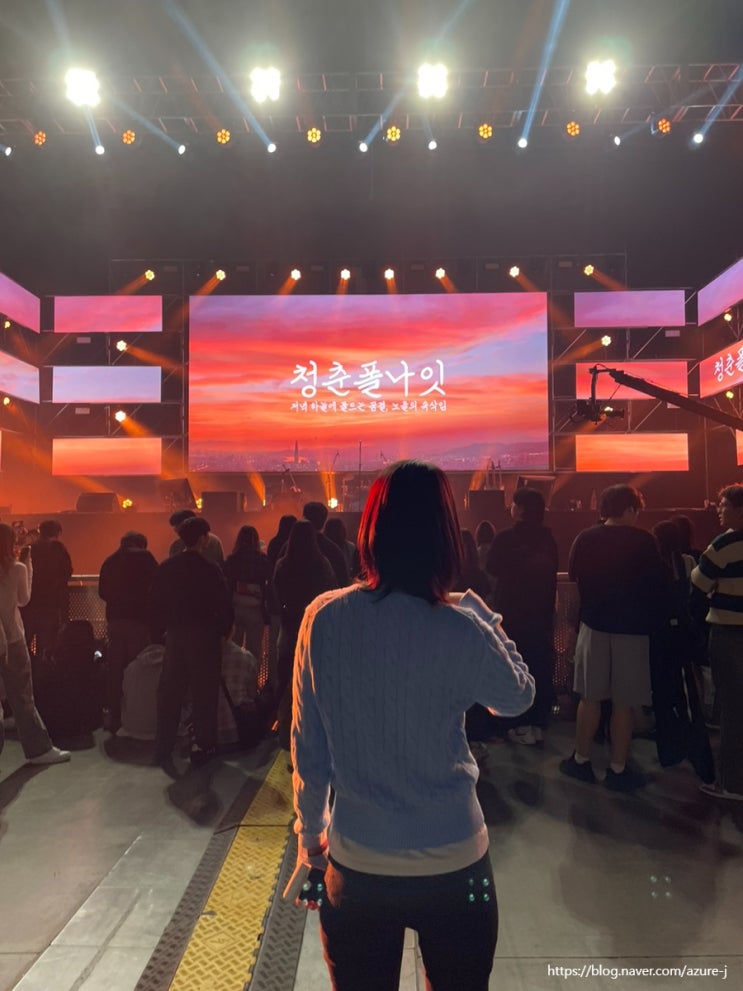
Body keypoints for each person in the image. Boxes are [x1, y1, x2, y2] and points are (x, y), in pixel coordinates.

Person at [290, 460, 534, 991]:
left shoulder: (324, 618)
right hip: (457, 868)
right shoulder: (461, 626)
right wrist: (480, 612)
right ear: (445, 536)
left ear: (371, 531)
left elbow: (309, 746)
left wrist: (311, 840)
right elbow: (518, 697)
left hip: (358, 869)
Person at [561, 484, 664, 792]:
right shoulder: (645, 541)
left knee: (590, 697)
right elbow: (656, 584)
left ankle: (581, 760)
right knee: (624, 702)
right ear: (631, 509)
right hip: (632, 630)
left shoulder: (586, 538)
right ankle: (618, 767)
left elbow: (575, 580)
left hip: (594, 625)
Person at [150, 516, 233, 767]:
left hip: (175, 635)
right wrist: (223, 632)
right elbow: (223, 604)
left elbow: (155, 601)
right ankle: (203, 746)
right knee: (203, 693)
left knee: (170, 692)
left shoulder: (167, 567)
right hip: (204, 637)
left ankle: (163, 747)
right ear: (202, 539)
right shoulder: (210, 569)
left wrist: (163, 631)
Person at [485, 487, 559, 745]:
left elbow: (492, 567)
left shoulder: (506, 538)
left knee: (513, 666)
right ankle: (537, 720)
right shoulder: (548, 540)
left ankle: (516, 723)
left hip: (512, 615)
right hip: (540, 615)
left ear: (519, 509)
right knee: (538, 665)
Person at [0, 523, 70, 765]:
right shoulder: (17, 568)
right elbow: (23, 599)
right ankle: (38, 750)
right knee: (22, 696)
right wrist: (28, 564)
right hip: (12, 639)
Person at [692, 484, 743, 801]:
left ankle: (733, 783)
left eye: (724, 505)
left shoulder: (725, 543)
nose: (718, 510)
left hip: (729, 633)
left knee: (733, 708)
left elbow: (698, 582)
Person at [273, 520, 336, 749]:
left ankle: (284, 728)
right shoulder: (322, 564)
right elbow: (330, 591)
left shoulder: (283, 564)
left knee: (286, 674)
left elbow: (276, 592)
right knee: (311, 676)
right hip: (314, 626)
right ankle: (310, 727)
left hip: (290, 624)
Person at [98, 531, 159, 732]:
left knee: (115, 670)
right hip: (139, 621)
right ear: (142, 544)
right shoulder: (146, 558)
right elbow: (157, 586)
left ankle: (114, 716)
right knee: (137, 668)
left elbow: (102, 592)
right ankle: (135, 715)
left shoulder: (110, 561)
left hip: (115, 621)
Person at [21, 519, 72, 661]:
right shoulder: (59, 549)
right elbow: (67, 571)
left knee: (24, 645)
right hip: (51, 604)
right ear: (57, 533)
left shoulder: (29, 549)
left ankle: (28, 670)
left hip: (29, 604)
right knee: (46, 647)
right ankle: (42, 670)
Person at [223, 525, 270, 662]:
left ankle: (234, 673)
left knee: (234, 648)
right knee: (254, 650)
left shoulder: (232, 559)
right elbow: (268, 584)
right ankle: (252, 674)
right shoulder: (262, 560)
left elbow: (227, 585)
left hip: (236, 608)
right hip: (256, 609)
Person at [265, 515, 297, 693]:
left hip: (275, 601)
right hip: (290, 604)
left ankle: (273, 681)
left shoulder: (273, 543)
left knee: (274, 643)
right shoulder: (294, 547)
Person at [302, 501, 350, 588]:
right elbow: (343, 581)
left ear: (304, 517)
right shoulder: (333, 550)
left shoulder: (289, 547)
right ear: (323, 521)